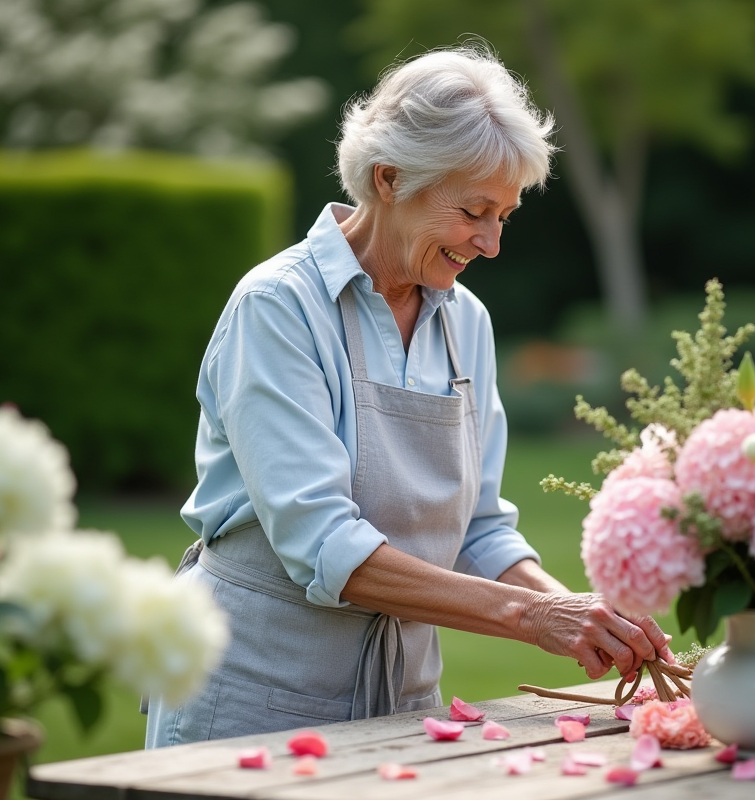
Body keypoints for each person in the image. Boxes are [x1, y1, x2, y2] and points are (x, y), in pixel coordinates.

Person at [145, 46, 672, 747]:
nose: (490, 244)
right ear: (390, 179)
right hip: (251, 697)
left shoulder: (467, 322)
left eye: (505, 216)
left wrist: (584, 613)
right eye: (474, 212)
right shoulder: (277, 309)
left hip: (401, 701)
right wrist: (531, 618)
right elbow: (324, 543)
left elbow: (480, 529)